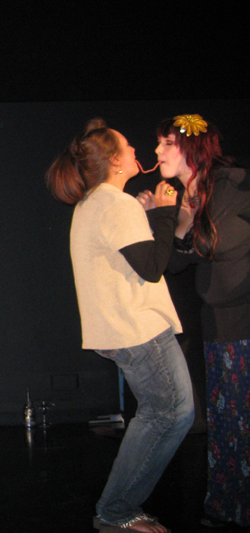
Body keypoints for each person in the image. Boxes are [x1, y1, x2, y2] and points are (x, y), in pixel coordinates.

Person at [46, 120, 194, 533]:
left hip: (119, 329)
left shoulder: (95, 203)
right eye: (128, 147)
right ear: (114, 160)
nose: (135, 151)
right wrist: (164, 213)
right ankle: (117, 510)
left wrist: (151, 217)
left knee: (160, 413)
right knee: (172, 413)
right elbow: (152, 267)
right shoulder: (115, 203)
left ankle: (118, 508)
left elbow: (132, 259)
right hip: (138, 327)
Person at [139, 114, 249, 528]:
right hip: (218, 323)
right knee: (226, 423)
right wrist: (164, 217)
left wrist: (175, 217)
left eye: (166, 143)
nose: (157, 151)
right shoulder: (194, 192)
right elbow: (177, 262)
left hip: (242, 321)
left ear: (191, 147)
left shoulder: (230, 183)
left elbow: (211, 242)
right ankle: (227, 507)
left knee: (239, 423)